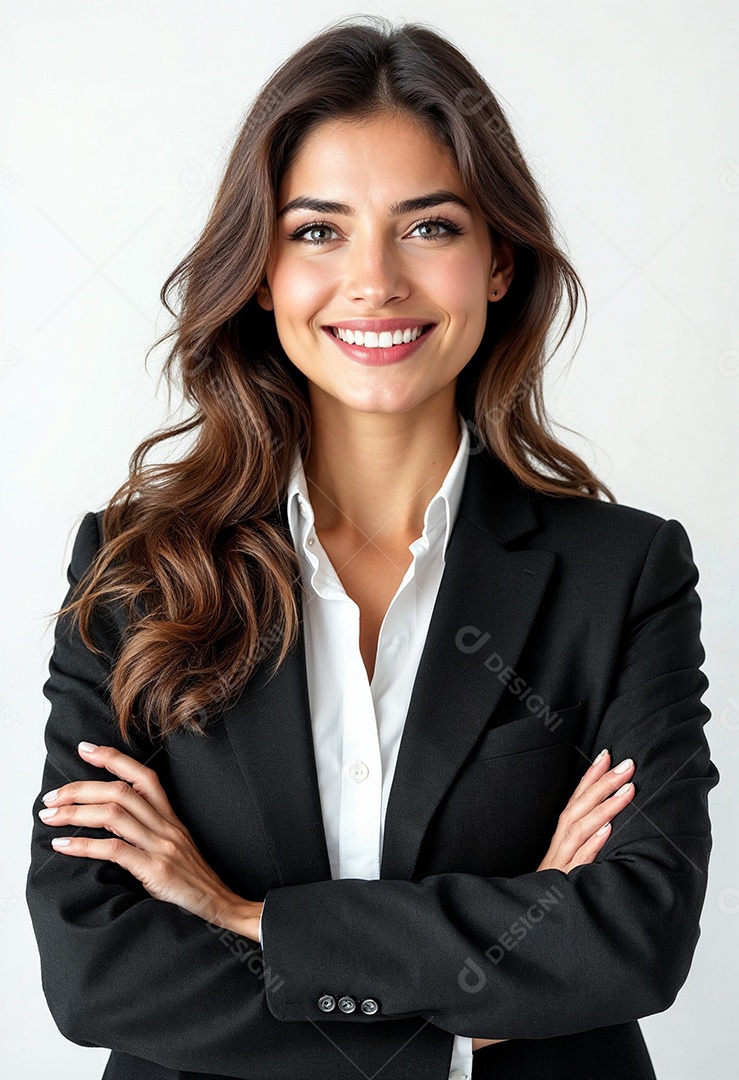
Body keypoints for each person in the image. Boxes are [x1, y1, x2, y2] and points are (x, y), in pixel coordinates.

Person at [26, 15, 719, 1080]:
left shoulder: (620, 577)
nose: (375, 279)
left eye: (429, 227)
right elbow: (97, 971)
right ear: (260, 273)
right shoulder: (137, 573)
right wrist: (471, 999)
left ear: (497, 261)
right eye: (317, 231)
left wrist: (236, 915)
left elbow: (631, 939)